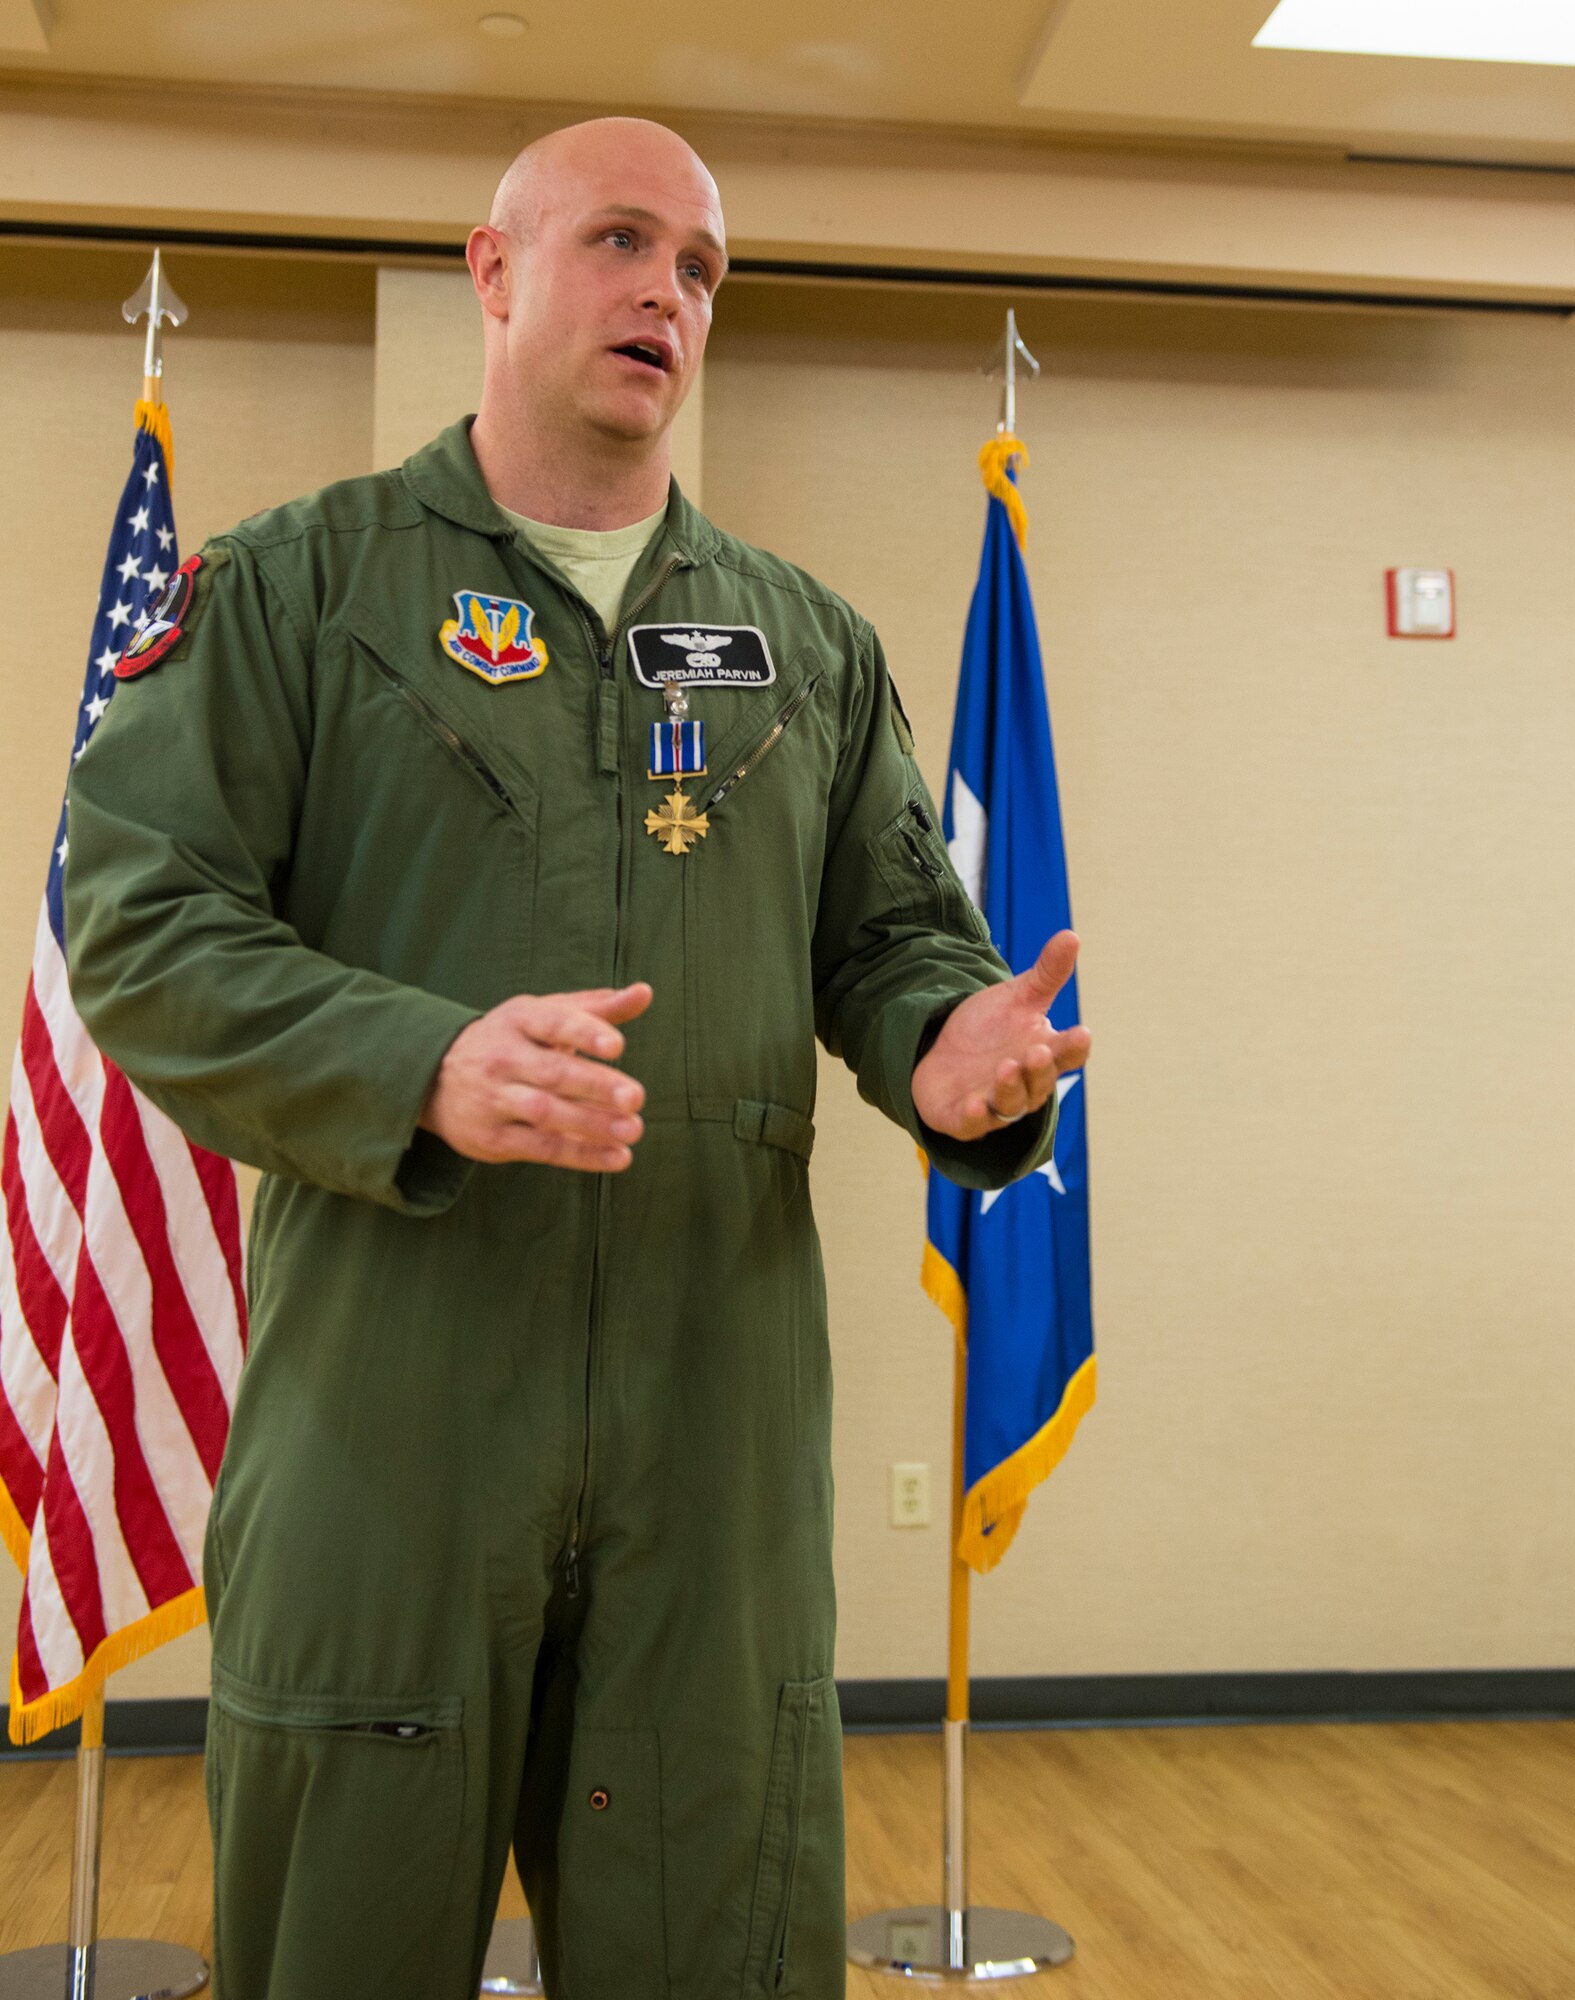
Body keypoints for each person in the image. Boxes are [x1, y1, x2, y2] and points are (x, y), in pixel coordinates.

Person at [63, 117, 1091, 2000]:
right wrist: (418, 1062)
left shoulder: (803, 646)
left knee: (722, 1938)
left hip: (715, 1416)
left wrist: (948, 1051)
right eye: (622, 240)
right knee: (340, 1947)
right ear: (493, 268)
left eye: (700, 266)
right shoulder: (293, 595)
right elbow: (140, 925)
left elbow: (891, 938)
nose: (666, 292)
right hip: (390, 1413)